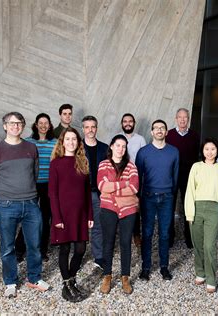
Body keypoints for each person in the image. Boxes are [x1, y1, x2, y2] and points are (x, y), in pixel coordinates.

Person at [0, 112, 50, 298]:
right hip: (7, 205)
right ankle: (10, 282)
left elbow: (34, 173)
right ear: (5, 126)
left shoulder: (31, 147)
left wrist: (27, 193)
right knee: (7, 247)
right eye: (12, 123)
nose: (15, 126)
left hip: (30, 203)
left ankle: (34, 278)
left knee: (34, 244)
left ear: (23, 126)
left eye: (19, 123)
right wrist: (3, 197)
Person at [49, 127, 94, 302]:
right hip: (63, 214)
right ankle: (67, 285)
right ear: (62, 142)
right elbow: (52, 193)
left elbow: (87, 193)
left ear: (78, 142)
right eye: (67, 139)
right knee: (65, 249)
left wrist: (90, 215)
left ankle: (71, 278)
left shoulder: (82, 161)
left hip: (80, 213)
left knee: (81, 249)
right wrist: (57, 218)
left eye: (74, 139)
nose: (71, 142)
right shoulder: (56, 163)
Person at [185, 138, 218, 294]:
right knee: (198, 244)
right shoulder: (196, 167)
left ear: (217, 151)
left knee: (209, 245)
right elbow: (190, 191)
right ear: (203, 151)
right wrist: (190, 212)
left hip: (214, 209)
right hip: (197, 208)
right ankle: (200, 272)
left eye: (213, 149)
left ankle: (211, 279)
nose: (210, 152)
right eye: (207, 149)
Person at [136, 119, 179, 281]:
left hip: (167, 197)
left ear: (166, 132)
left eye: (162, 128)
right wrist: (138, 199)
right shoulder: (143, 152)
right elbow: (138, 177)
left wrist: (170, 192)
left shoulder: (174, 152)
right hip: (148, 197)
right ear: (152, 132)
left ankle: (164, 267)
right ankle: (145, 267)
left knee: (165, 234)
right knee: (146, 233)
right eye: (156, 128)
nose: (159, 130)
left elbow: (175, 176)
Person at [97, 135, 139, 295]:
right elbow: (102, 186)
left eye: (124, 146)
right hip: (108, 208)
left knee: (125, 243)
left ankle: (125, 277)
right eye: (118, 145)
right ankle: (107, 276)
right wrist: (124, 184)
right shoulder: (103, 164)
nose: (121, 149)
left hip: (128, 209)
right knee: (108, 242)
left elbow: (134, 188)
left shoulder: (131, 166)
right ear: (112, 146)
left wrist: (112, 187)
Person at [15, 113, 57, 262]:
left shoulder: (56, 143)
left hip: (49, 185)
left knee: (45, 219)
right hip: (32, 185)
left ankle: (42, 250)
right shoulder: (27, 143)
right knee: (28, 217)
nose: (43, 125)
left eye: (46, 123)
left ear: (50, 125)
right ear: (36, 125)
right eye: (41, 123)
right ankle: (19, 249)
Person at [166, 108, 200, 248]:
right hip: (171, 176)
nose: (182, 120)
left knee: (189, 208)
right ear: (176, 118)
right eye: (180, 117)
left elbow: (196, 157)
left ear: (188, 119)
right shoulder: (169, 135)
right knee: (169, 207)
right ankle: (169, 238)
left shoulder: (194, 136)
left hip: (188, 176)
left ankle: (189, 237)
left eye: (185, 117)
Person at [82, 115, 108, 269]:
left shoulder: (105, 148)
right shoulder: (76, 147)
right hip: (80, 193)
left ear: (96, 128)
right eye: (87, 127)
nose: (90, 130)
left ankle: (98, 257)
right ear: (83, 129)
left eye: (93, 127)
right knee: (79, 225)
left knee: (98, 225)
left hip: (98, 193)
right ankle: (78, 256)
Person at [119, 113, 146, 247]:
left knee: (134, 207)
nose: (128, 123)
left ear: (134, 123)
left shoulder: (140, 139)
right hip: (120, 178)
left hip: (136, 178)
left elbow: (145, 159)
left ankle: (136, 234)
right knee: (121, 205)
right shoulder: (117, 139)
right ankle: (123, 235)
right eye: (125, 121)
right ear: (122, 123)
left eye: (130, 121)